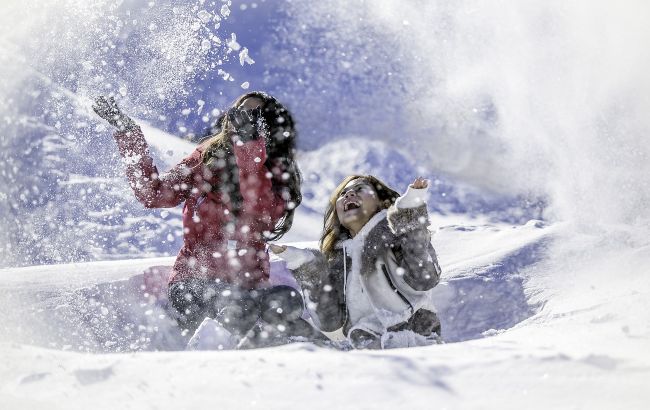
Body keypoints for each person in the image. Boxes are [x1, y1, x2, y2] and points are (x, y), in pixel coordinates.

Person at [93, 92, 313, 348]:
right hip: (194, 284)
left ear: (268, 126)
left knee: (285, 300)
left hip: (249, 289)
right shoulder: (205, 159)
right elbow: (153, 194)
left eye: (252, 116)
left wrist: (250, 150)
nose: (241, 119)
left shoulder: (275, 171)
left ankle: (324, 357)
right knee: (236, 308)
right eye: (238, 111)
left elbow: (259, 213)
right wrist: (128, 134)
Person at [271, 175, 442, 349]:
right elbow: (329, 321)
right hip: (362, 345)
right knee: (283, 336)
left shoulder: (396, 236)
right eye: (343, 193)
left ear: (382, 203)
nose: (349, 194)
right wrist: (306, 266)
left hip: (412, 341)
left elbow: (425, 278)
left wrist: (409, 215)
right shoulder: (341, 257)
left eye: (360, 189)